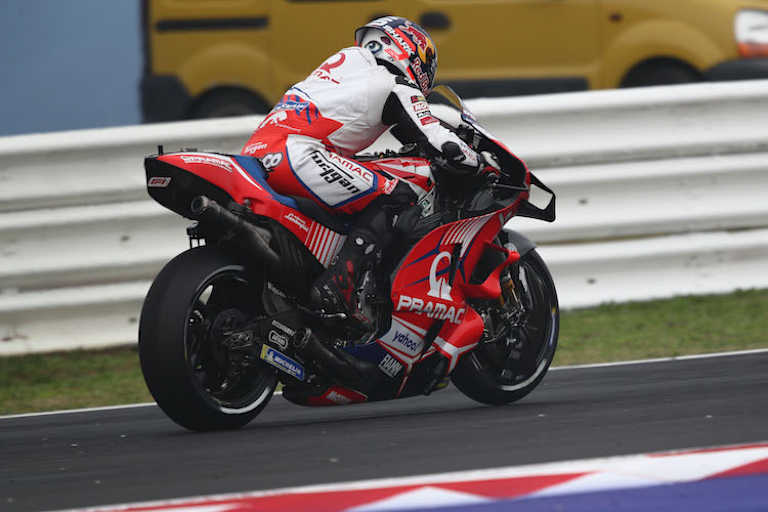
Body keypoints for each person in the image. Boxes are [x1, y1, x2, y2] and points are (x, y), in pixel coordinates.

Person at [241, 16, 496, 332]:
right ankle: (339, 286)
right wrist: (477, 161)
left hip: (259, 153)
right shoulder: (393, 82)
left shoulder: (345, 65)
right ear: (411, 52)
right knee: (399, 194)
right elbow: (437, 139)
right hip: (298, 155)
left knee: (363, 193)